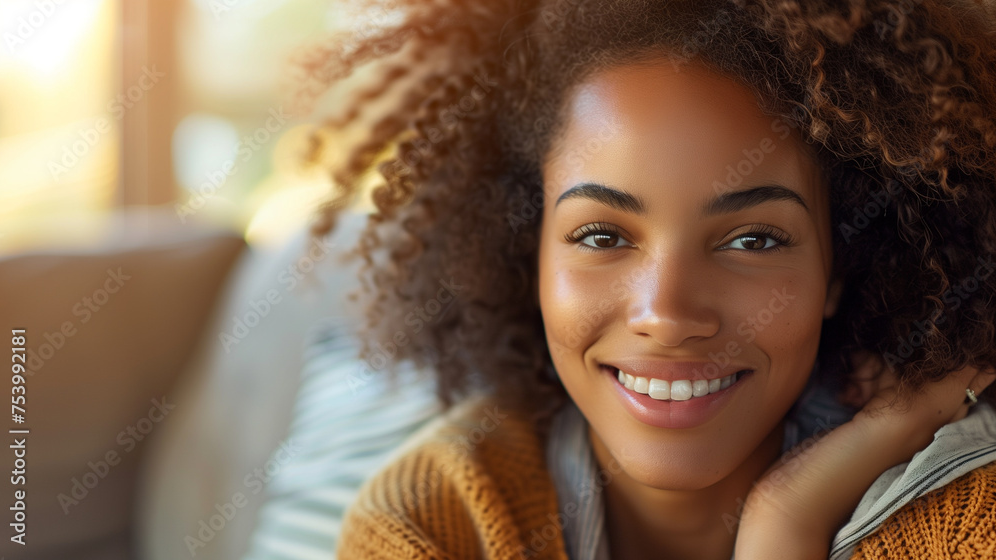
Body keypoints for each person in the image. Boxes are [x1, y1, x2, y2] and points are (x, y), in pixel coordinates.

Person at [299, 0, 996, 558]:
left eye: (752, 239)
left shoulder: (967, 520)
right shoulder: (432, 525)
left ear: (836, 272)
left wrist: (787, 521)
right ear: (529, 258)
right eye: (602, 236)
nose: (665, 312)